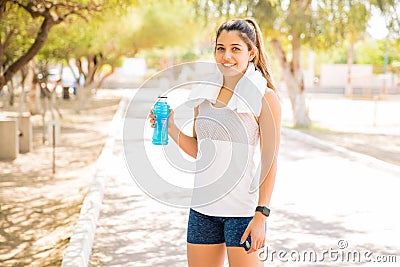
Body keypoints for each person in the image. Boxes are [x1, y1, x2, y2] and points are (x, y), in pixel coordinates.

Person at [150, 18, 281, 267]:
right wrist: (171, 127)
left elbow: (270, 161)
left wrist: (261, 216)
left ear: (251, 53)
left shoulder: (265, 97)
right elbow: (200, 150)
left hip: (243, 213)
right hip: (202, 210)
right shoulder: (204, 93)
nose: (226, 56)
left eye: (235, 49)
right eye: (220, 48)